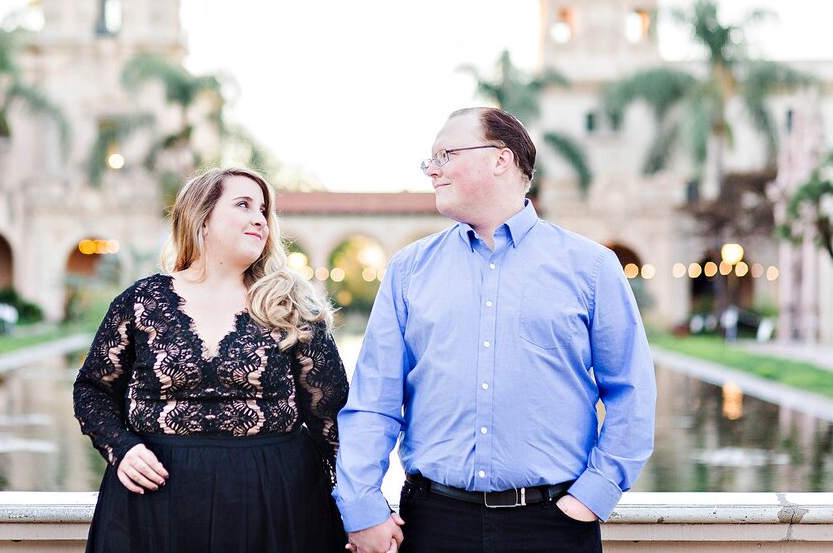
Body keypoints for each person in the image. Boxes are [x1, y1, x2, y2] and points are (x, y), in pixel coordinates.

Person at [334, 107, 656, 553]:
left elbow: (631, 392)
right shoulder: (408, 270)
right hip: (433, 524)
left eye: (444, 155)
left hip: (554, 525)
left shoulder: (592, 268)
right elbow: (373, 403)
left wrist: (593, 494)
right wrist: (362, 505)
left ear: (500, 159)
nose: (432, 170)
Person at [74, 166, 349, 552]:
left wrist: (357, 509)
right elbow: (92, 388)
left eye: (264, 210)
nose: (260, 219)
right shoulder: (141, 301)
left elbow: (331, 417)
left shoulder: (291, 306)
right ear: (202, 218)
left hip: (273, 499)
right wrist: (121, 447)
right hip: (155, 502)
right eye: (243, 205)